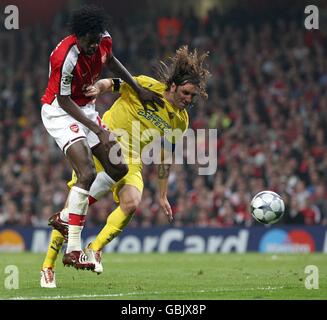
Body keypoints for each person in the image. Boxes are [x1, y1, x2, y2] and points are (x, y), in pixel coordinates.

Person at [40, 45, 210, 288]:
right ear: (173, 86)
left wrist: (162, 195)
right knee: (74, 209)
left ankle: (93, 250)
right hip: (103, 144)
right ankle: (48, 266)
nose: (188, 99)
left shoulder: (180, 121)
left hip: (131, 160)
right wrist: (98, 86)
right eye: (186, 93)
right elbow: (112, 84)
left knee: (131, 202)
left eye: (193, 96)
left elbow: (164, 155)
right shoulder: (147, 86)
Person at [40, 5, 163, 274]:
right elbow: (63, 100)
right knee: (86, 172)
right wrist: (97, 130)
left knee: (119, 168)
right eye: (89, 41)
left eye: (97, 40)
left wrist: (137, 88)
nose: (94, 46)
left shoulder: (102, 40)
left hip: (84, 108)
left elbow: (112, 60)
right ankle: (73, 249)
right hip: (61, 112)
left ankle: (64, 217)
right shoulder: (65, 57)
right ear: (78, 36)